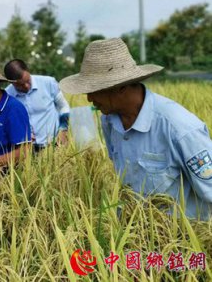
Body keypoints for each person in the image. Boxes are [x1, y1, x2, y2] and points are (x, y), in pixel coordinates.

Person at [59, 38, 212, 220]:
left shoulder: (180, 128)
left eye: (94, 90)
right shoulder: (109, 121)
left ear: (121, 88)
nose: (89, 98)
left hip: (181, 239)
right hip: (135, 235)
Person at [4, 59, 70, 152]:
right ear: (11, 82)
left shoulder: (49, 83)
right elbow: (6, 123)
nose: (26, 86)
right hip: (25, 151)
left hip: (54, 145)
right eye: (20, 85)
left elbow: (63, 106)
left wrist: (63, 129)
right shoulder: (7, 96)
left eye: (28, 80)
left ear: (28, 70)